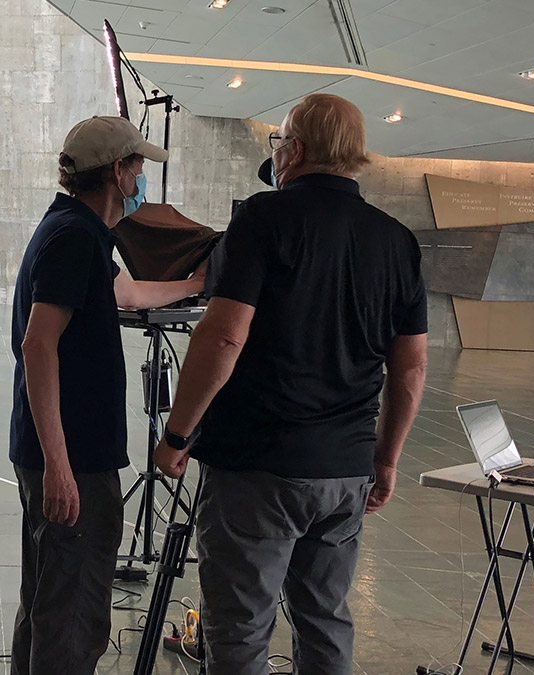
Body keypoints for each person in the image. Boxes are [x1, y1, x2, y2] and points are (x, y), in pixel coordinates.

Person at [153, 94, 429, 674]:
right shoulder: (397, 241)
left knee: (241, 625)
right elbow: (410, 368)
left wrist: (178, 434)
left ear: (294, 150)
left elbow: (224, 337)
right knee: (325, 619)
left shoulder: (263, 218)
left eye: (277, 142)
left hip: (259, 467)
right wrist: (386, 459)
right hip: (345, 470)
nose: (275, 153)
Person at [9, 115, 205, 675]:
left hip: (59, 451)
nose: (143, 176)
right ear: (118, 171)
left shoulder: (76, 229)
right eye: (139, 165)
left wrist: (197, 285)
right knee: (73, 615)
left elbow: (129, 292)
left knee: (49, 603)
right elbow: (38, 347)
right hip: (73, 456)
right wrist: (60, 467)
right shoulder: (74, 238)